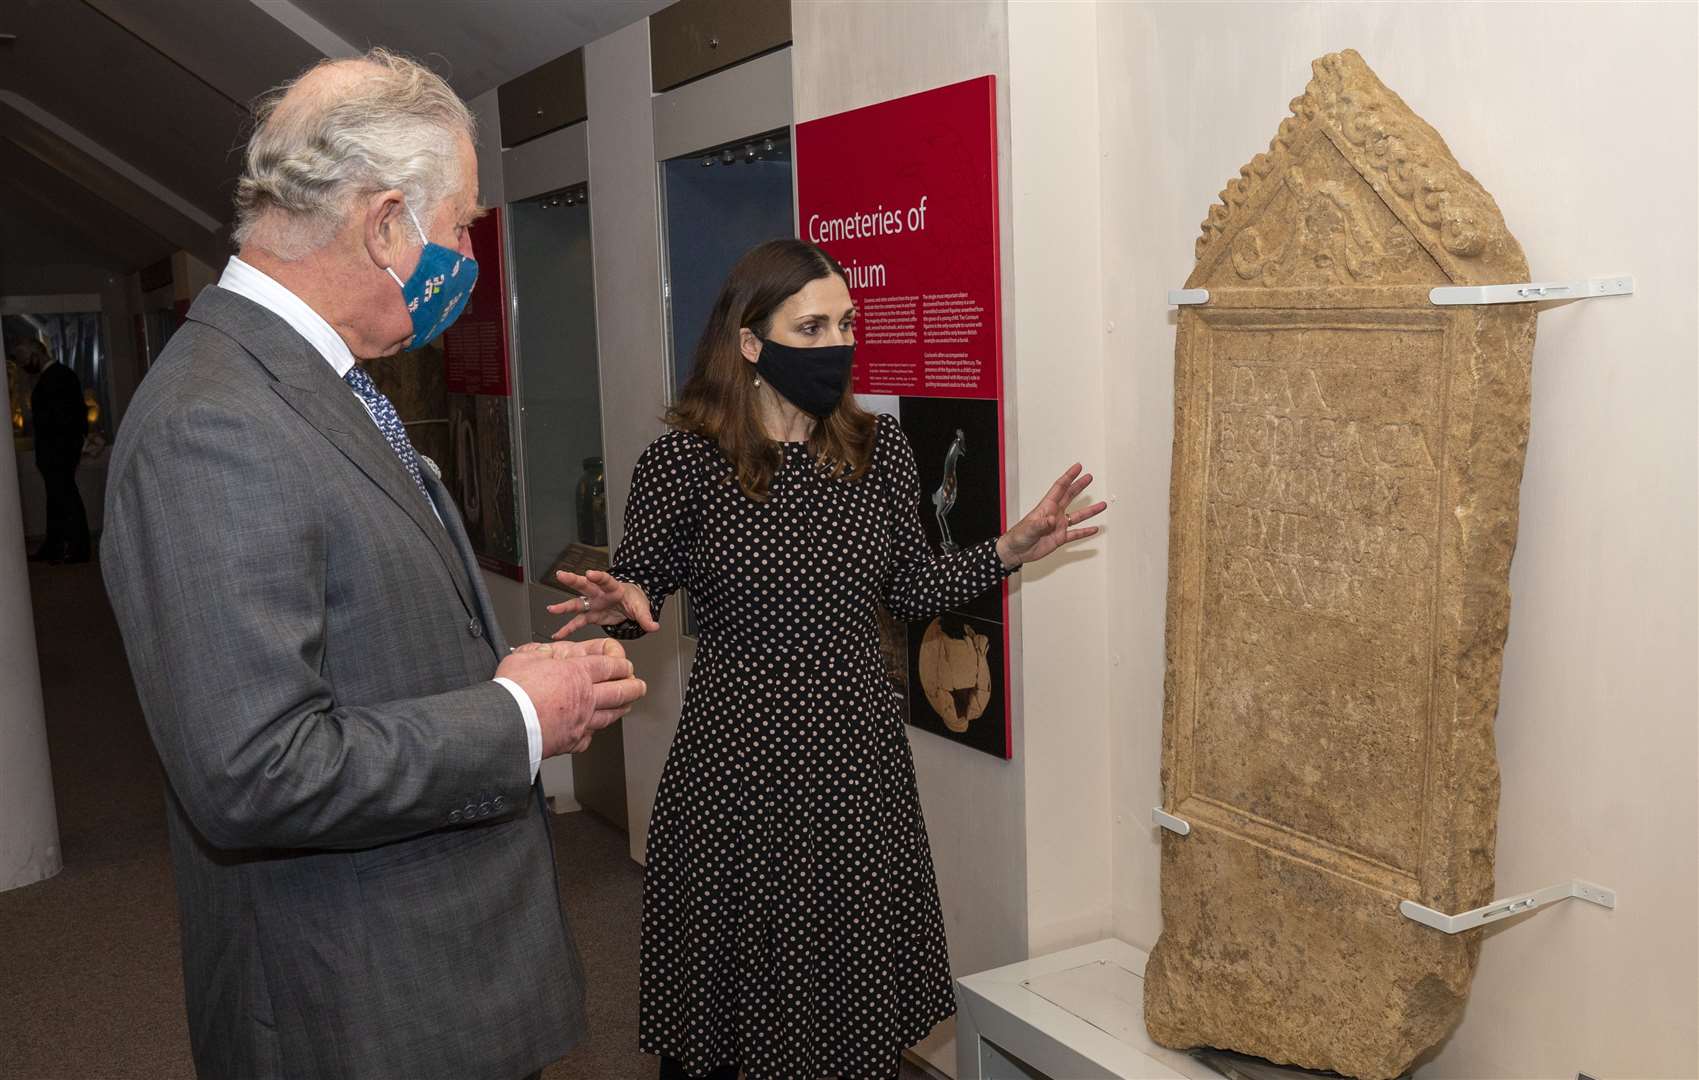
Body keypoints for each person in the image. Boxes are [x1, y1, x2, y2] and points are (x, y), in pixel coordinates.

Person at [101, 49, 647, 1080]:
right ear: (385, 223)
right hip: (361, 1014)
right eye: (462, 228)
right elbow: (255, 769)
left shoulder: (309, 381)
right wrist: (519, 720)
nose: (467, 255)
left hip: (433, 975)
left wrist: (523, 678)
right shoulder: (216, 420)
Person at [551, 239, 1106, 1080]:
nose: (835, 345)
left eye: (845, 325)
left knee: (849, 1002)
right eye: (809, 328)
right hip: (736, 762)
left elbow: (911, 588)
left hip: (856, 762)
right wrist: (617, 607)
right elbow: (641, 590)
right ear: (749, 343)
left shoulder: (878, 451)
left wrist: (1006, 548)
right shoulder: (686, 460)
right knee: (731, 1008)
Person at [14, 337, 90, 563]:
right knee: (58, 499)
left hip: (59, 451)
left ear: (36, 354)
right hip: (59, 451)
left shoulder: (57, 377)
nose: (24, 367)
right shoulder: (57, 376)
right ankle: (57, 546)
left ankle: (76, 548)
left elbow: (62, 418)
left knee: (65, 498)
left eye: (25, 360)